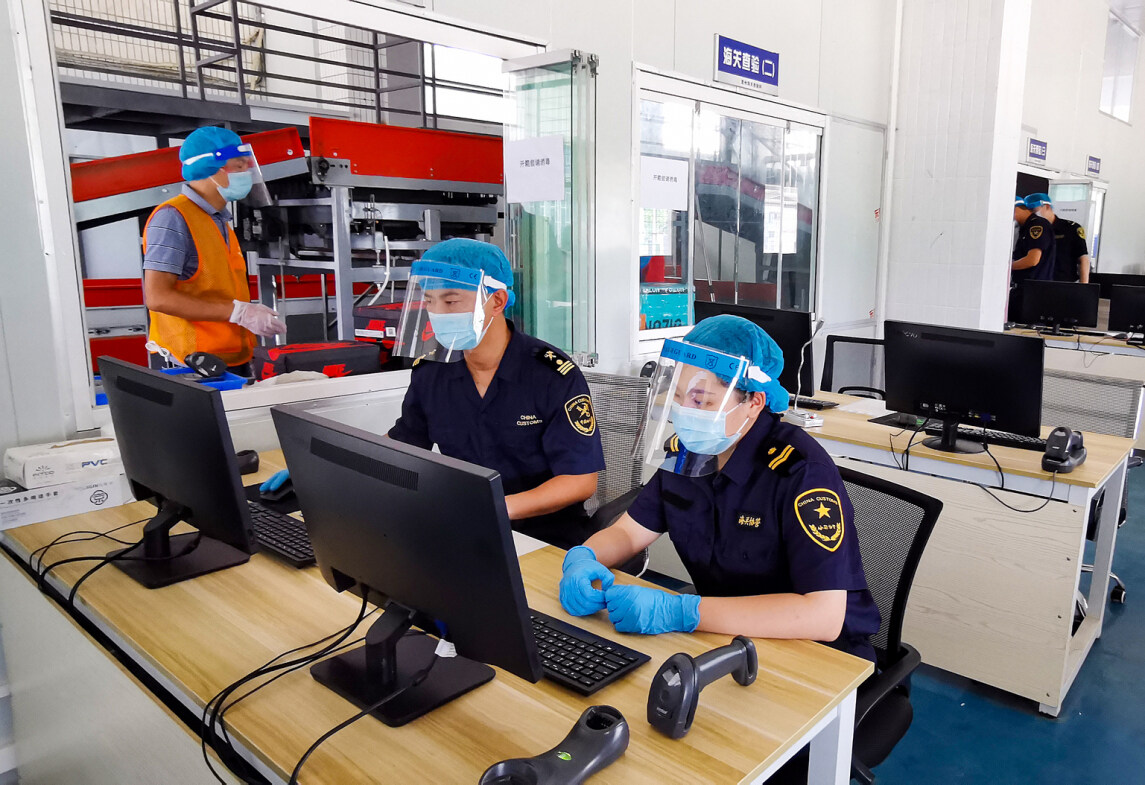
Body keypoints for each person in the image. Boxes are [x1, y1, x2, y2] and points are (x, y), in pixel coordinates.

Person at [558, 314, 880, 662]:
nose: (685, 412)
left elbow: (823, 616)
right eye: (679, 396)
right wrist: (585, 557)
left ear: (754, 402)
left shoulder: (800, 473)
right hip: (724, 636)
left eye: (702, 402)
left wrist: (681, 611)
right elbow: (628, 532)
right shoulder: (689, 454)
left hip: (816, 654)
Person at [264, 238, 605, 549]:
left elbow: (579, 481)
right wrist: (327, 470)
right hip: (463, 530)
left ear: (497, 301)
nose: (438, 312)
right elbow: (403, 445)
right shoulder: (433, 371)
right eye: (429, 300)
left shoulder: (550, 374)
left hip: (544, 536)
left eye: (451, 300)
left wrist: (495, 509)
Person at [142, 126, 285, 375]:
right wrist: (239, 312)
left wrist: (247, 312)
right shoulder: (173, 217)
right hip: (191, 363)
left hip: (228, 360)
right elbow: (158, 298)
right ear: (210, 168)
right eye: (239, 166)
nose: (246, 173)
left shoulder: (218, 219)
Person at [1010, 195, 1057, 321]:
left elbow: (1032, 260)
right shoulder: (1024, 227)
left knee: (1028, 328)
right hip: (1023, 289)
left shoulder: (1037, 225)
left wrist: (1007, 267)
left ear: (1016, 209)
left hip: (1034, 293)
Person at [1025, 193, 1090, 283]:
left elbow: (1083, 259)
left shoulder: (1071, 228)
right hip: (1036, 283)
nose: (1032, 215)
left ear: (1047, 207)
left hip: (1064, 283)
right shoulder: (1028, 229)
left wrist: (1084, 287)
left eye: (1033, 210)